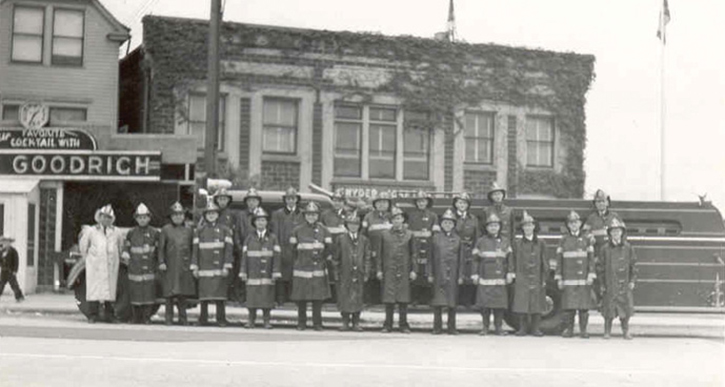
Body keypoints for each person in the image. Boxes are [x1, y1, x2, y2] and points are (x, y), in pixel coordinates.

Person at [289, 201, 333, 331]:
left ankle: (317, 323)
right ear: (305, 215)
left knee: (317, 299)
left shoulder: (324, 230)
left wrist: (322, 259)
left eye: (314, 214)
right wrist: (300, 261)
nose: (311, 217)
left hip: (318, 268)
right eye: (309, 214)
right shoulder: (297, 230)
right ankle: (301, 323)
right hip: (302, 268)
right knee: (301, 298)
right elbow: (292, 250)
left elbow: (329, 248)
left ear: (318, 216)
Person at [79, 204, 124, 324]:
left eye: (109, 217)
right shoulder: (91, 231)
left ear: (112, 219)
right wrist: (89, 259)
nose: (106, 219)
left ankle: (110, 315)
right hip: (95, 266)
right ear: (99, 217)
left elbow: (120, 247)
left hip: (110, 266)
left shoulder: (116, 232)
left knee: (109, 291)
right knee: (94, 290)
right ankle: (92, 315)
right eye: (103, 217)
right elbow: (84, 247)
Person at [377, 206, 419, 333]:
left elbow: (414, 254)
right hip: (389, 270)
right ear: (391, 221)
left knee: (403, 299)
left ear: (403, 220)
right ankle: (387, 324)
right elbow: (379, 254)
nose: (397, 221)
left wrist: (414, 270)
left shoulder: (409, 235)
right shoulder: (384, 235)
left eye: (399, 218)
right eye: (394, 219)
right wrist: (379, 270)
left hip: (404, 269)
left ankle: (403, 324)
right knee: (389, 299)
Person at [191, 201, 234, 327]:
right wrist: (195, 266)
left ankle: (221, 319)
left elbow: (228, 250)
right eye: (208, 213)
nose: (211, 215)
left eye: (213, 213)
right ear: (205, 215)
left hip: (219, 268)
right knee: (204, 297)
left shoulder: (225, 230)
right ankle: (203, 319)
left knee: (220, 297)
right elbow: (195, 250)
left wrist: (227, 265)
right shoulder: (199, 231)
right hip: (204, 268)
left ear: (217, 215)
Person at [555, 211, 597, 338]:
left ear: (580, 224)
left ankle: (583, 331)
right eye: (571, 223)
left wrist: (591, 274)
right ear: (568, 225)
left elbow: (591, 259)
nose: (574, 225)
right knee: (569, 307)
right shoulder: (563, 240)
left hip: (584, 279)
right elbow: (559, 260)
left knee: (584, 307)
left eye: (576, 222)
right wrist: (559, 278)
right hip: (569, 279)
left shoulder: (587, 239)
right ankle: (570, 330)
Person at [240, 207, 281, 329]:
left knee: (266, 297)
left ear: (267, 222)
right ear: (254, 223)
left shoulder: (273, 238)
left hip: (268, 273)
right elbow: (244, 256)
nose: (260, 223)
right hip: (252, 272)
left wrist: (275, 271)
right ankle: (251, 320)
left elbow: (277, 256)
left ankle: (266, 320)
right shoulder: (249, 238)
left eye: (263, 220)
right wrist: (243, 271)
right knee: (252, 297)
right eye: (258, 221)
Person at [472, 213, 513, 336]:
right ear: (487, 227)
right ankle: (485, 327)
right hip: (485, 278)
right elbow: (475, 259)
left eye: (496, 225)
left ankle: (498, 328)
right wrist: (475, 274)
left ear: (499, 227)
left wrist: (510, 273)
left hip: (500, 279)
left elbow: (510, 258)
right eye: (491, 226)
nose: (493, 228)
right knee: (485, 305)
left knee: (499, 305)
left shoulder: (505, 241)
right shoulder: (481, 241)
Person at [597, 217, 638, 340]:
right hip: (610, 283)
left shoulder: (628, 248)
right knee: (608, 309)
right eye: (613, 231)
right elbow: (600, 268)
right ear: (609, 233)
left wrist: (632, 281)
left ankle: (625, 331)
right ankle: (607, 331)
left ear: (622, 232)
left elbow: (633, 266)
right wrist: (602, 284)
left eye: (618, 231)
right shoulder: (605, 249)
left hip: (624, 284)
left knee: (625, 308)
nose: (615, 233)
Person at [511, 211, 549, 337]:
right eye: (525, 226)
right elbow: (513, 260)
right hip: (522, 276)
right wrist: (514, 274)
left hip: (537, 276)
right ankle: (522, 328)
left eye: (530, 225)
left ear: (534, 227)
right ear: (522, 228)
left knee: (536, 303)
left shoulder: (541, 243)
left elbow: (545, 262)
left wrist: (544, 277)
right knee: (522, 303)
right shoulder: (517, 244)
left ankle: (535, 329)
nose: (528, 228)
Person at [158, 202, 196, 326]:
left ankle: (183, 318)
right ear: (171, 216)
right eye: (175, 215)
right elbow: (161, 248)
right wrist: (161, 261)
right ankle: (168, 318)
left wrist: (193, 263)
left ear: (184, 216)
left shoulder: (189, 230)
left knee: (182, 294)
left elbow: (193, 247)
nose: (178, 217)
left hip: (184, 265)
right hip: (170, 265)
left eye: (180, 214)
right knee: (169, 294)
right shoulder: (165, 229)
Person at [122, 203, 160, 324]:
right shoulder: (131, 232)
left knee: (149, 294)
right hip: (135, 268)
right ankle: (135, 317)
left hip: (150, 268)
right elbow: (126, 247)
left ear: (149, 218)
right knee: (135, 293)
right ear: (136, 219)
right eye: (140, 217)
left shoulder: (155, 233)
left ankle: (146, 317)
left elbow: (159, 250)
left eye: (145, 217)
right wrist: (125, 253)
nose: (142, 220)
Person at [332, 212, 371, 332]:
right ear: (346, 225)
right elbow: (336, 258)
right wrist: (336, 273)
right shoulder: (340, 239)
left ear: (359, 226)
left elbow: (367, 257)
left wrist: (366, 272)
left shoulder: (364, 240)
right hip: (345, 272)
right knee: (344, 296)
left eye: (356, 224)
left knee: (358, 296)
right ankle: (345, 322)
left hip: (359, 272)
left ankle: (356, 322)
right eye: (350, 224)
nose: (353, 226)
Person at [427, 209, 464, 335]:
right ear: (441, 224)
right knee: (438, 302)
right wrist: (430, 273)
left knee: (452, 302)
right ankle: (437, 327)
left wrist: (460, 275)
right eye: (445, 223)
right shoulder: (435, 238)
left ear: (454, 225)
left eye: (450, 223)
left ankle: (451, 327)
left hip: (453, 274)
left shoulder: (458, 239)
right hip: (438, 273)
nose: (447, 225)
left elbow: (461, 259)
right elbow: (430, 257)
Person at [271, 187, 304, 305]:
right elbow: (275, 232)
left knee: (295, 276)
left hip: (296, 251)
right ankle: (281, 299)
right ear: (285, 200)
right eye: (288, 198)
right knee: (281, 276)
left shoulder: (302, 214)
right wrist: (277, 248)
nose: (290, 201)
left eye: (293, 198)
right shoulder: (278, 214)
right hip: (282, 249)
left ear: (296, 200)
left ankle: (294, 299)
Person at [212, 188, 245, 304]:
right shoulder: (211, 212)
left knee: (230, 275)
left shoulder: (232, 215)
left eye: (224, 199)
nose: (222, 201)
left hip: (229, 249)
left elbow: (237, 231)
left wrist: (236, 247)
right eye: (220, 199)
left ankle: (230, 295)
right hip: (213, 249)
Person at [408, 190, 440, 305]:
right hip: (415, 247)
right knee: (416, 270)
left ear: (427, 202)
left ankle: (427, 299)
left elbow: (436, 234)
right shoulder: (411, 215)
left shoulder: (433, 216)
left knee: (428, 271)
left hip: (428, 247)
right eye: (419, 201)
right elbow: (408, 233)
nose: (421, 203)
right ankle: (415, 299)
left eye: (423, 201)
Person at [362, 191, 393, 305]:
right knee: (372, 275)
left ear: (389, 204)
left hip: (390, 252)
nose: (381, 205)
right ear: (374, 204)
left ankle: (387, 300)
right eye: (379, 202)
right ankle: (371, 301)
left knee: (389, 275)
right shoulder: (368, 217)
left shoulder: (393, 216)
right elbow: (363, 235)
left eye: (384, 202)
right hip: (373, 250)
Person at [453, 192, 479, 308]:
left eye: (464, 203)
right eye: (459, 202)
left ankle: (467, 301)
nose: (462, 205)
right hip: (454, 249)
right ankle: (454, 300)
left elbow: (477, 235)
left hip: (469, 250)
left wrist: (476, 249)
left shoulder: (473, 219)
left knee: (468, 274)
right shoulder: (451, 217)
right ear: (455, 204)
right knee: (455, 273)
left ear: (468, 205)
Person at [0, 236, 24, 302]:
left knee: (14, 284)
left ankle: (19, 297)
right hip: (3, 271)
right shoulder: (2, 251)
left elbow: (16, 262)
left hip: (10, 271)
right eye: (4, 242)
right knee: (1, 284)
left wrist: (15, 271)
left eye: (7, 242)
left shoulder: (13, 251)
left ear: (10, 243)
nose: (5, 244)